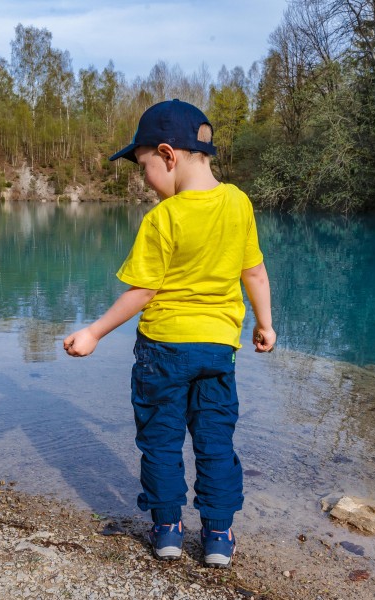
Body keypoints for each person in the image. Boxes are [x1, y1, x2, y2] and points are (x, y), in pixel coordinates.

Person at [63, 99, 276, 568]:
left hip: (164, 350)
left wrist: (94, 332)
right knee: (216, 443)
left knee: (160, 441)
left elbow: (142, 293)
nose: (144, 180)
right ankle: (218, 536)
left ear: (167, 155)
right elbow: (255, 273)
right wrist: (264, 324)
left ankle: (168, 532)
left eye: (143, 168)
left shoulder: (163, 218)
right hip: (220, 350)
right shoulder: (238, 202)